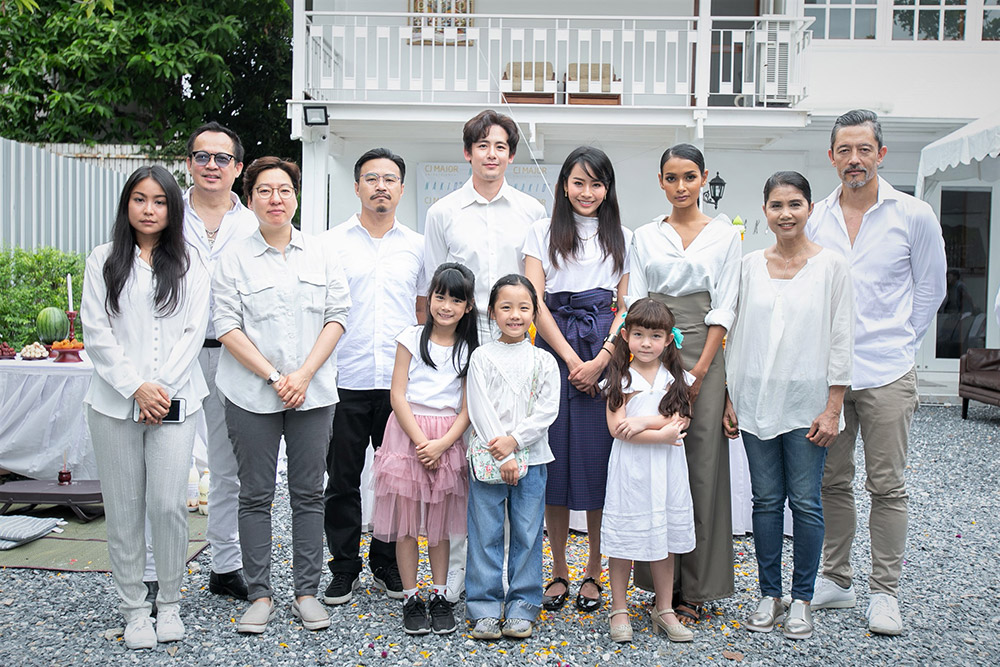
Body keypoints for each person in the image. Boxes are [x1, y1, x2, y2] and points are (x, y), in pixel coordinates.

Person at [805, 110, 946, 636]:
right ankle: (836, 579)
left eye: (864, 149)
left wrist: (902, 339)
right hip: (830, 377)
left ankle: (885, 593)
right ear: (832, 157)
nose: (855, 159)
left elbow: (931, 287)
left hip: (888, 371)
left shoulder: (914, 215)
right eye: (845, 150)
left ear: (881, 154)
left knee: (887, 485)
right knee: (832, 481)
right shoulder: (815, 218)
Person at [213, 157, 351, 634]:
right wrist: (276, 377)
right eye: (265, 191)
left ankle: (306, 593)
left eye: (285, 190)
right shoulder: (233, 258)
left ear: (296, 196)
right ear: (250, 199)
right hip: (251, 393)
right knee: (254, 494)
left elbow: (337, 315)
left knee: (309, 493)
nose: (276, 199)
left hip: (313, 392)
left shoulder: (322, 253)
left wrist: (304, 374)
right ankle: (259, 594)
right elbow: (227, 326)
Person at [82, 165, 210, 649]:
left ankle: (169, 602)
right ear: (127, 205)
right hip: (114, 403)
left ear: (173, 208)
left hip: (176, 402)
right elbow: (96, 333)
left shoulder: (191, 262)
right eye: (140, 199)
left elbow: (193, 332)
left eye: (159, 201)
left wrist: (160, 390)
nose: (149, 209)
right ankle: (135, 609)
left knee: (167, 504)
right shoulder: (102, 260)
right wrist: (136, 387)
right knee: (123, 509)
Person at [722, 172, 854, 640]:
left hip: (807, 402)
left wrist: (833, 406)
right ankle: (769, 594)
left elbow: (842, 337)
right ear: (765, 211)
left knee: (805, 501)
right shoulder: (747, 265)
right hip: (754, 397)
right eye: (776, 205)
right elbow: (732, 332)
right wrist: (728, 396)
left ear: (810, 208)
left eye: (795, 204)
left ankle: (801, 599)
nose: (786, 213)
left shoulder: (832, 266)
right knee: (765, 501)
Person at [423, 109, 546, 599]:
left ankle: (515, 574)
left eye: (500, 147)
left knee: (514, 442)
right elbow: (434, 286)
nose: (491, 155)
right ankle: (459, 569)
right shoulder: (444, 212)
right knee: (463, 447)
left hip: (517, 336)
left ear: (511, 155)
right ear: (467, 152)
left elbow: (536, 285)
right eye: (482, 146)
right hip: (465, 335)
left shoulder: (532, 211)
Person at [627, 143, 740, 622]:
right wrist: (640, 360)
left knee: (701, 468)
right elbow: (634, 303)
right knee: (656, 460)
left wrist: (700, 372)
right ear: (660, 181)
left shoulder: (725, 235)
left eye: (689, 177)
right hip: (651, 351)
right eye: (671, 178)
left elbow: (726, 306)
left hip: (704, 355)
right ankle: (659, 586)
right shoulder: (645, 235)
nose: (681, 186)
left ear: (704, 178)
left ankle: (695, 587)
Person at [522, 146, 630, 614]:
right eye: (578, 182)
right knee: (556, 460)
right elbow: (534, 301)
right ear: (564, 186)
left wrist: (601, 359)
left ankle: (595, 568)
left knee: (598, 461)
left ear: (607, 189)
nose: (587, 192)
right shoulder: (541, 232)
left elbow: (626, 306)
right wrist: (570, 360)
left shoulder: (624, 237)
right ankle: (560, 568)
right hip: (554, 350)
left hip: (605, 346)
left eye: (596, 183)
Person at [320, 148, 425, 606]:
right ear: (357, 186)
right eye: (371, 178)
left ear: (401, 188)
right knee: (342, 479)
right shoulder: (330, 244)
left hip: (399, 386)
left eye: (389, 179)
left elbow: (423, 310)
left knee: (394, 481)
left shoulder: (418, 246)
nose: (380, 186)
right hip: (345, 377)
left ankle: (386, 562)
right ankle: (344, 567)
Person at [371, 263, 478, 636]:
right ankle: (410, 597)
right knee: (406, 523)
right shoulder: (411, 338)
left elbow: (467, 408)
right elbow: (397, 394)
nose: (446, 306)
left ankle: (440, 594)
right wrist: (421, 442)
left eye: (456, 300)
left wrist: (443, 444)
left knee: (440, 525)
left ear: (468, 306)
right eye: (440, 296)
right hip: (408, 435)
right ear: (429, 297)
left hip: (447, 437)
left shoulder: (469, 349)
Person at [178, 121, 258, 601]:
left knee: (228, 468)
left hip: (233, 356)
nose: (212, 165)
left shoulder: (251, 224)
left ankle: (225, 565)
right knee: (168, 465)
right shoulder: (168, 216)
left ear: (238, 167)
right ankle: (157, 569)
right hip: (177, 358)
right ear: (189, 163)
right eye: (202, 156)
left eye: (222, 158)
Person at [465, 274, 559, 641]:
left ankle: (522, 606)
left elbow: (547, 409)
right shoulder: (482, 356)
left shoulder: (544, 360)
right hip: (489, 460)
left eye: (524, 307)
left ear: (535, 312)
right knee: (485, 533)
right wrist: (501, 450)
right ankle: (484, 607)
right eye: (506, 307)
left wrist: (515, 442)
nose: (515, 315)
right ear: (491, 312)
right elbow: (479, 406)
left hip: (533, 460)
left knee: (528, 533)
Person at [601, 298, 695, 644]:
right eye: (638, 334)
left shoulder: (675, 378)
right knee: (624, 538)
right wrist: (662, 432)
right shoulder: (621, 377)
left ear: (668, 340)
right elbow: (617, 429)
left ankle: (664, 608)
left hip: (667, 470)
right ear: (625, 335)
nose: (646, 343)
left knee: (664, 537)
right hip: (631, 470)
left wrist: (642, 422)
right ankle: (619, 608)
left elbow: (681, 419)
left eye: (655, 336)